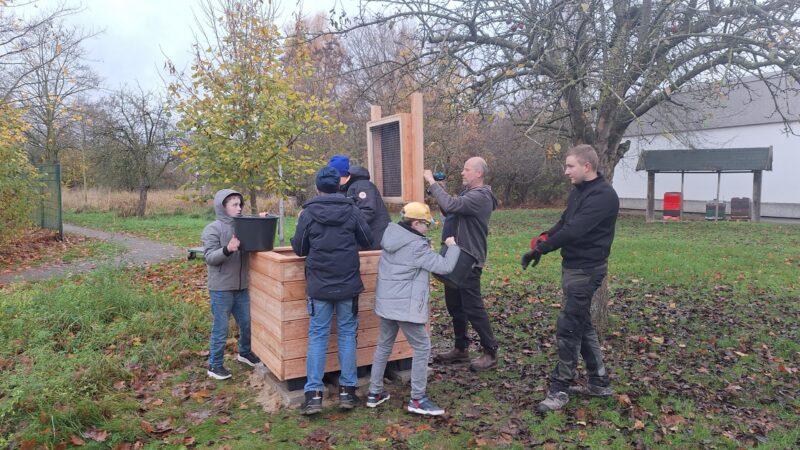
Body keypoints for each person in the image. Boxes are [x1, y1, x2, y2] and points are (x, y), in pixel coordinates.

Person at [520, 144, 620, 413]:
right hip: (573, 267)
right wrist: (542, 240)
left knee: (568, 327)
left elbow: (575, 230)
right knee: (582, 324)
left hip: (586, 270)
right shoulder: (579, 192)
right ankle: (599, 382)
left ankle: (560, 388)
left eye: (570, 166)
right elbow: (564, 223)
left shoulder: (603, 196)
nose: (566, 171)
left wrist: (544, 248)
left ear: (587, 166)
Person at [291, 166, 373, 415]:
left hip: (319, 285)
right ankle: (347, 391)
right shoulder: (352, 210)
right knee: (347, 335)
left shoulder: (308, 213)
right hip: (348, 284)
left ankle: (314, 395)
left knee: (318, 336)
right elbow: (368, 240)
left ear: (317, 188)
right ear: (339, 186)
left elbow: (300, 248)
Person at [366, 202, 461, 416]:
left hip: (387, 303)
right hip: (405, 306)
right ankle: (417, 399)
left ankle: (375, 392)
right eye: (426, 224)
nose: (428, 228)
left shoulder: (392, 235)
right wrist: (452, 246)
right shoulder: (417, 246)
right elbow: (445, 266)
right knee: (422, 347)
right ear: (416, 223)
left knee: (384, 345)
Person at [423, 157, 499, 372]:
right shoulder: (468, 194)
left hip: (468, 260)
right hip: (454, 257)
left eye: (467, 169)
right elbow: (449, 211)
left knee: (473, 308)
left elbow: (450, 205)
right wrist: (440, 191)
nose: (462, 173)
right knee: (455, 305)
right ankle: (461, 348)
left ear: (479, 173)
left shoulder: (481, 196)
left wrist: (432, 182)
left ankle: (491, 352)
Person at [201, 189, 263, 380]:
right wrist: (227, 249)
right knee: (221, 328)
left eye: (240, 204)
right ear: (223, 207)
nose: (239, 208)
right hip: (221, 289)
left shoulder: (243, 226)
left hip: (242, 287)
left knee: (247, 323)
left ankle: (244, 352)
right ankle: (215, 365)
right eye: (234, 205)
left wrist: (260, 222)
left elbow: (255, 240)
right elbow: (210, 257)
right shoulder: (213, 229)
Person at [329, 155, 390, 250]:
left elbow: (368, 211)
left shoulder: (363, 186)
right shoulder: (344, 187)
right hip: (364, 236)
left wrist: (346, 225)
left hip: (375, 237)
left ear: (342, 175)